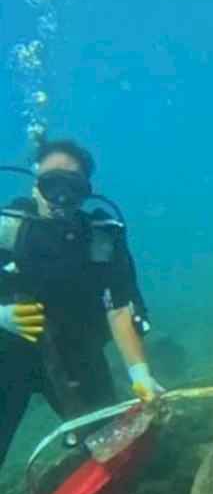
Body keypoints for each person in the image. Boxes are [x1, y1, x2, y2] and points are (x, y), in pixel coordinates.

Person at [0, 139, 164, 466]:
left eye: (71, 186)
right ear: (36, 186)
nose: (61, 196)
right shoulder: (7, 229)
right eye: (52, 184)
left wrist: (140, 374)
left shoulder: (103, 237)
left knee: (114, 447)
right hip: (7, 353)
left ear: (85, 191)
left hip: (77, 354)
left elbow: (119, 308)